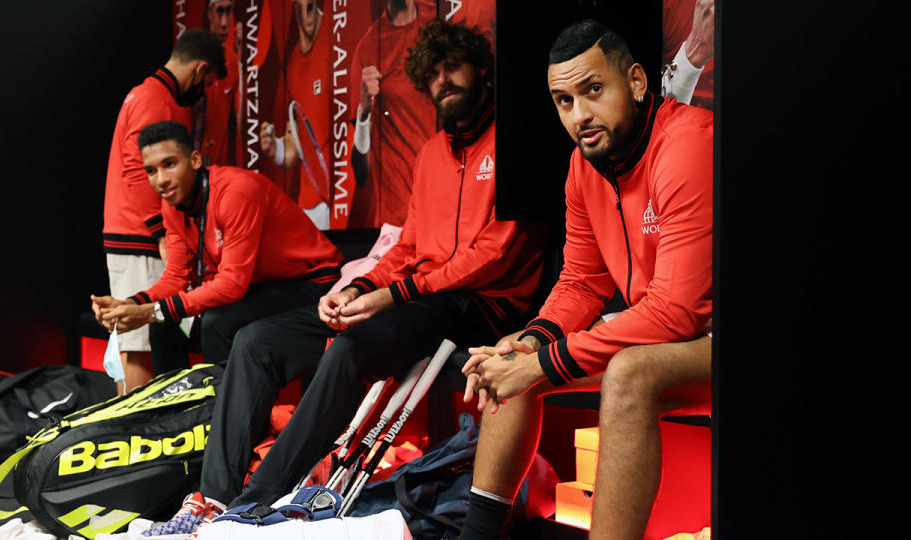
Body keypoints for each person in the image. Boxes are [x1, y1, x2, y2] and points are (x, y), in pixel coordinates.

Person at [144, 19, 545, 537]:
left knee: (350, 348)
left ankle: (253, 505)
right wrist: (357, 288)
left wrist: (390, 294)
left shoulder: (515, 145)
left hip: (481, 303)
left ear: (484, 72)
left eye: (455, 68)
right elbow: (407, 246)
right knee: (254, 340)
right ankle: (214, 499)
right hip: (420, 296)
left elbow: (496, 255)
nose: (444, 81)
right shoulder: (430, 154)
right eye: (435, 73)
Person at [460, 19, 713, 540]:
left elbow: (677, 312)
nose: (580, 115)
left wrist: (546, 364)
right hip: (669, 332)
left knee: (627, 373)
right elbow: (580, 281)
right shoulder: (583, 166)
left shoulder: (688, 143)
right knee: (517, 359)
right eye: (564, 101)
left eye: (593, 90)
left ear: (638, 82)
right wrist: (534, 342)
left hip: (731, 340)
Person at [91, 121, 343, 375]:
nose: (161, 180)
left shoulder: (236, 191)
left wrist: (151, 311)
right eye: (151, 171)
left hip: (312, 282)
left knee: (216, 322)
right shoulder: (173, 205)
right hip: (264, 286)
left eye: (169, 164)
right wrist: (132, 304)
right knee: (162, 324)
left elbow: (232, 284)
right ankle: (178, 412)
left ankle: (221, 410)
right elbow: (176, 277)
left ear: (196, 160)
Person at [101, 28, 227, 391]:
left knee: (143, 342)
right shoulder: (154, 98)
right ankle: (135, 438)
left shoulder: (148, 94)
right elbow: (136, 169)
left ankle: (138, 434)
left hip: (134, 232)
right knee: (141, 344)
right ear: (201, 70)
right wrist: (160, 231)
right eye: (208, 83)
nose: (203, 94)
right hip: (139, 236)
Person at [346, 0, 437, 228]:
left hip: (445, 203)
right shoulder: (369, 47)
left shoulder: (438, 21)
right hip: (399, 218)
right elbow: (361, 169)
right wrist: (364, 111)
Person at [258, 0, 331, 229]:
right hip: (310, 207)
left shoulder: (338, 42)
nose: (307, 11)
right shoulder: (292, 65)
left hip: (341, 198)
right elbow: (296, 147)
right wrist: (275, 149)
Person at [202, 0, 243, 166]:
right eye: (220, 12)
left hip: (222, 164)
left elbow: (242, 124)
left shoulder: (233, 61)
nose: (224, 23)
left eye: (229, 11)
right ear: (210, 13)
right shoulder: (196, 56)